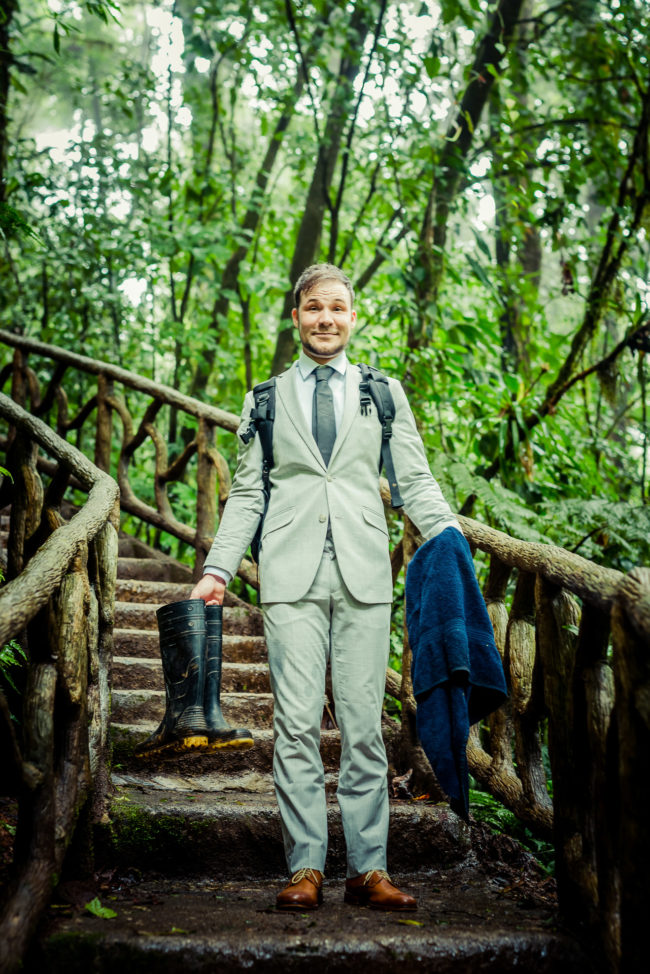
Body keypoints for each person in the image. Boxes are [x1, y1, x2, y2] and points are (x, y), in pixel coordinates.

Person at [190, 263, 461, 911]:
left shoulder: (383, 392)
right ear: (296, 317)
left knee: (365, 727)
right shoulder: (264, 399)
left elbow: (415, 482)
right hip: (289, 578)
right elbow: (249, 493)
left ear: (353, 316)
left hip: (366, 574)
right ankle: (305, 866)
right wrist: (218, 568)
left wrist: (449, 535)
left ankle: (369, 870)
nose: (326, 319)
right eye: (314, 308)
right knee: (295, 726)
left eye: (337, 308)